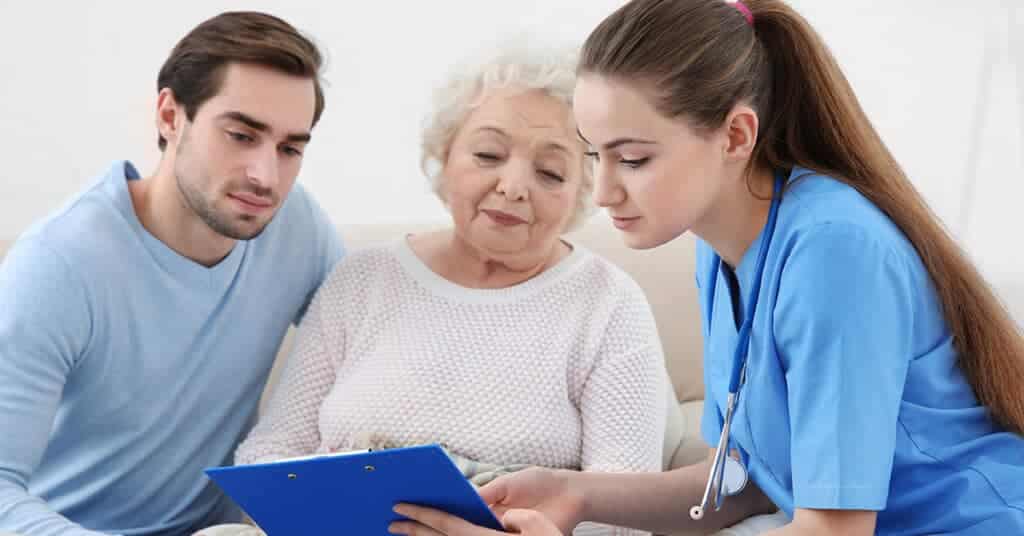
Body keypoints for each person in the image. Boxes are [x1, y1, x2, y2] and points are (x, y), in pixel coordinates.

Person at [388, 1, 1024, 535]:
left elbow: (835, 529)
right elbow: (745, 480)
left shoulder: (834, 249)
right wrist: (574, 493)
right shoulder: (720, 244)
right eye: (593, 154)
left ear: (737, 137)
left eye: (632, 159)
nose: (603, 191)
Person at [211, 46, 671, 536]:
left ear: (583, 190)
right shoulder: (363, 278)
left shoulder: (607, 301)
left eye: (550, 172)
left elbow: (625, 511)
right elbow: (269, 453)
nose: (513, 186)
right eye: (488, 155)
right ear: (443, 156)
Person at [0, 12, 343, 535]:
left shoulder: (298, 227)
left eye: (290, 148)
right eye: (241, 135)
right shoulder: (58, 263)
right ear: (169, 115)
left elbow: (380, 344)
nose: (265, 175)